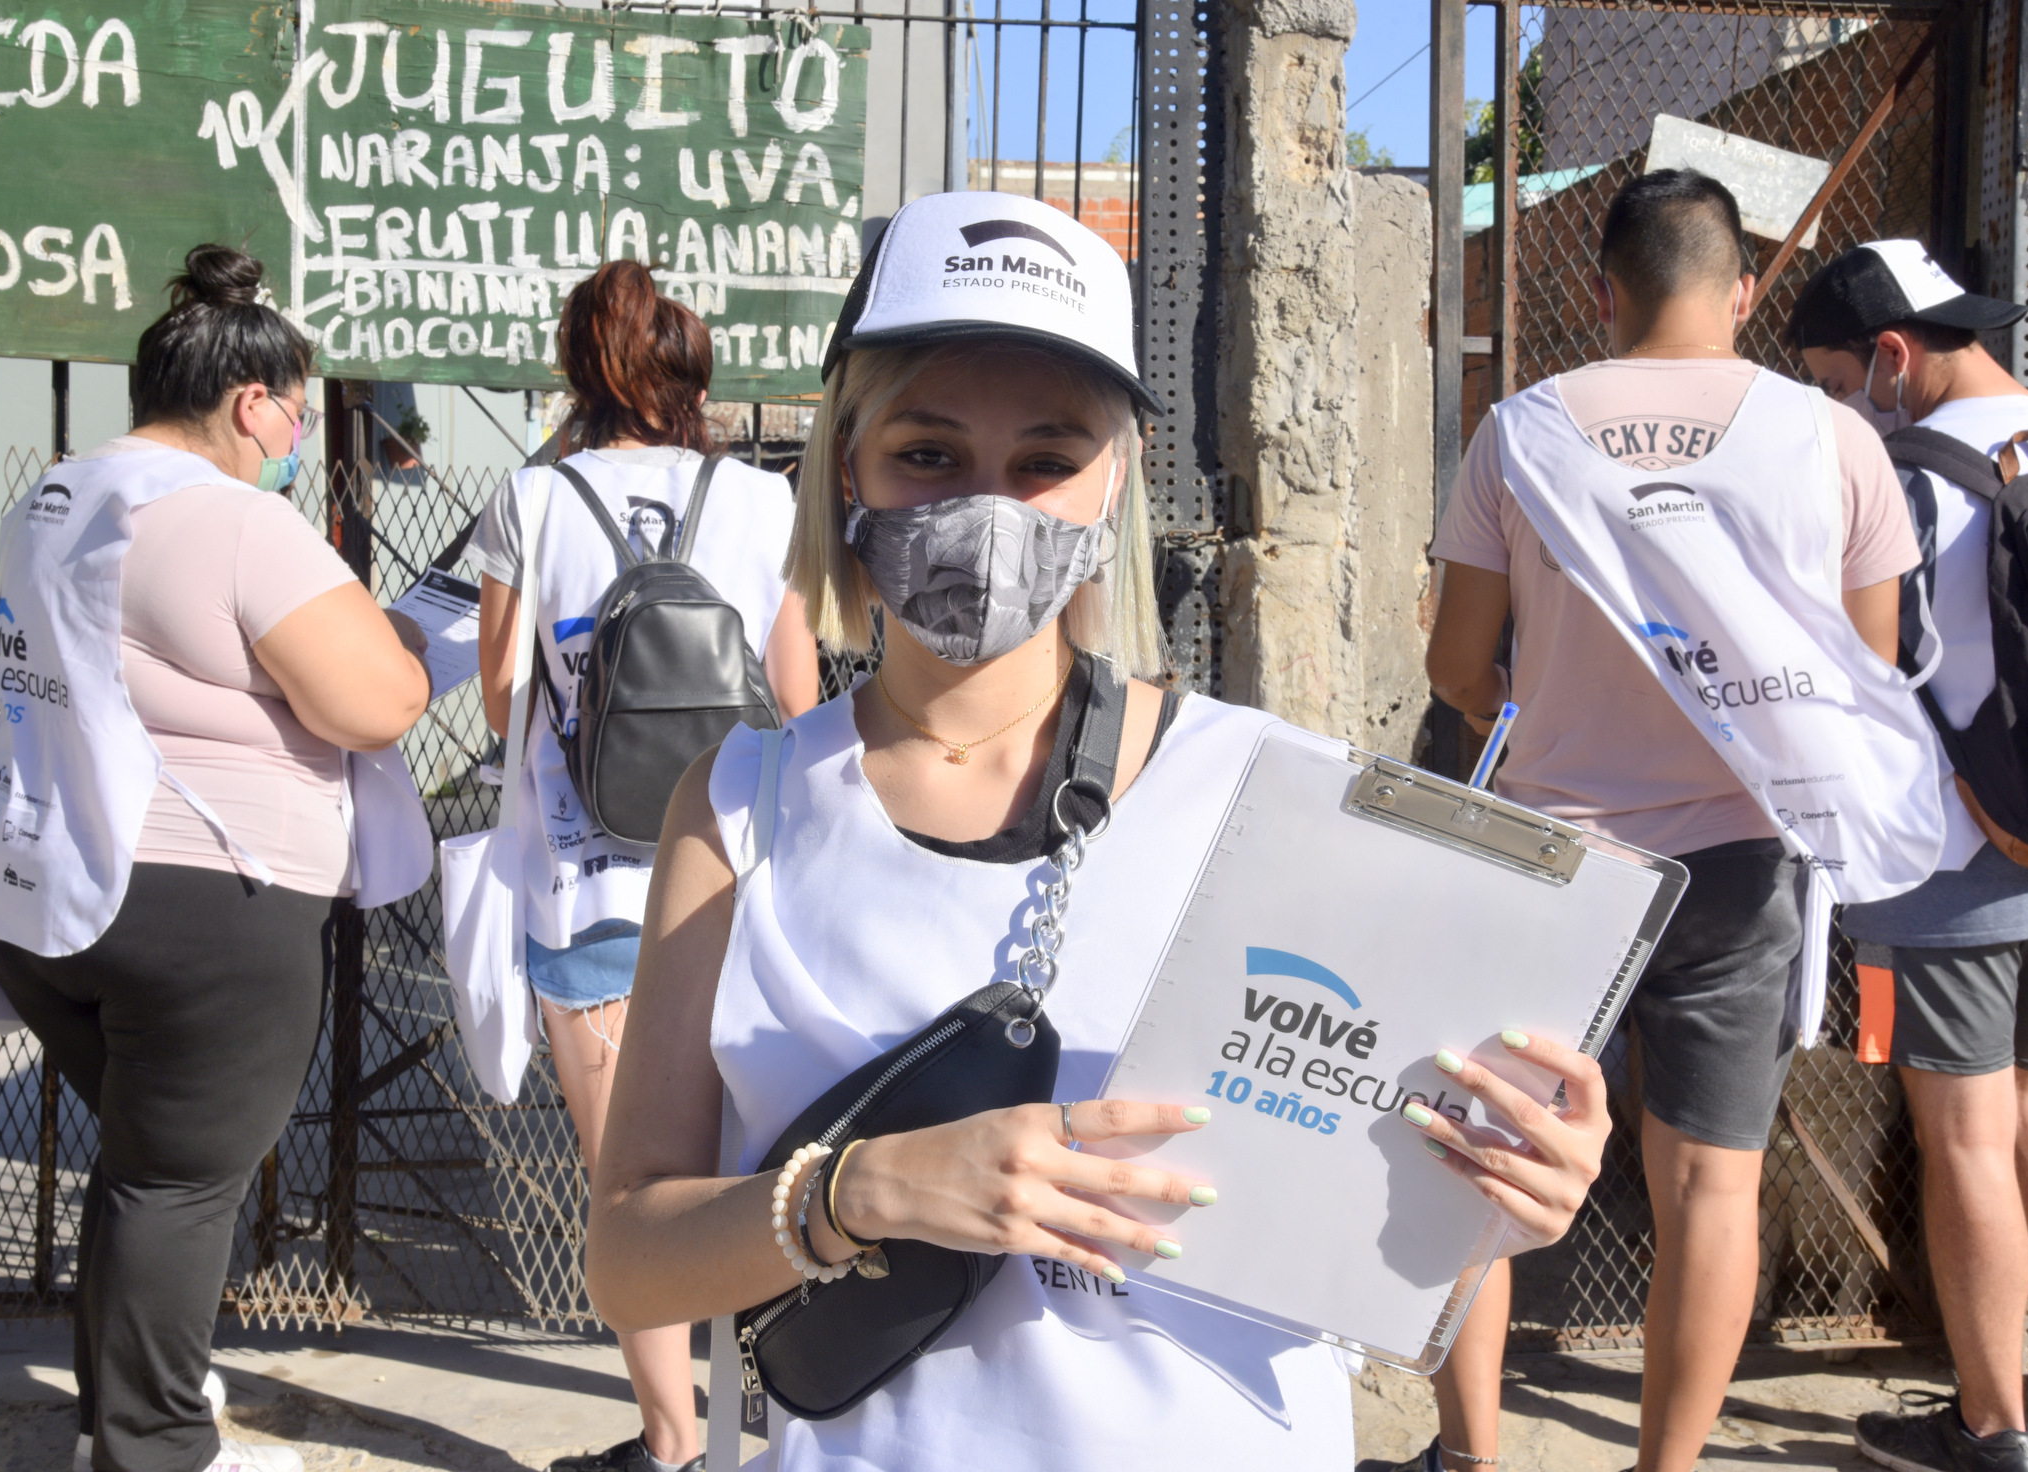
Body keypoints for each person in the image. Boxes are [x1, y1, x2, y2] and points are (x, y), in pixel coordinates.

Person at [577, 188, 1610, 1472]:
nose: (990, 508)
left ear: (1114, 473)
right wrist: (865, 1191)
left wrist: (1514, 1193)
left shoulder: (1273, 791)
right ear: (848, 460)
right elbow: (627, 1258)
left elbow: (1406, 1234)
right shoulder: (739, 800)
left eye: (1047, 460)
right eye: (929, 454)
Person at [1421, 171, 1932, 1472]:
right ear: (1745, 292)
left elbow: (1453, 667)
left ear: (1601, 291)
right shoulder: (1835, 442)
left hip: (1551, 858)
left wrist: (1533, 713)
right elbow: (1859, 684)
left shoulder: (1520, 433)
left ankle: (1472, 1457)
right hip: (1741, 868)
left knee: (1484, 1162)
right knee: (1713, 1188)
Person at [0, 245, 433, 1472]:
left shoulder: (57, 493)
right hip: (206, 900)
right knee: (183, 1183)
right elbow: (381, 700)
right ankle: (154, 1446)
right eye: (299, 414)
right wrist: (402, 644)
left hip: (48, 885)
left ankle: (127, 1413)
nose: (299, 437)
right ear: (253, 403)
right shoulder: (234, 520)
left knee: (150, 1166)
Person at [462, 262, 818, 1472]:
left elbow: (504, 691)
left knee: (632, 1185)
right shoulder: (761, 504)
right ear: (691, 371)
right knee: (762, 1156)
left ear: (578, 368)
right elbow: (802, 697)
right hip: (740, 863)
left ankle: (676, 1438)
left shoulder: (530, 497)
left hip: (589, 877)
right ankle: (772, 1415)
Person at [1793, 240, 2028, 1472]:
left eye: (1833, 378)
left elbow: (1856, 662)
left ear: (1890, 355)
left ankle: (1991, 1431)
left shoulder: (1895, 475)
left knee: (1967, 1135)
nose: (1834, 405)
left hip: (1941, 857)